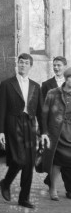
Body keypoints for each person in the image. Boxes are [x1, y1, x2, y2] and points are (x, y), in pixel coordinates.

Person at [0, 53, 43, 209]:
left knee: (29, 163)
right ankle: (6, 182)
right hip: (13, 123)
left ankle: (24, 198)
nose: (22, 65)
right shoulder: (7, 84)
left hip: (30, 124)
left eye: (26, 63)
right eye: (20, 62)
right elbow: (1, 109)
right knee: (19, 159)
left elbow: (40, 112)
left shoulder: (36, 86)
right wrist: (0, 131)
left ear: (30, 66)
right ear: (17, 64)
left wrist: (43, 133)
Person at [41, 57, 71, 195]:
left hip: (70, 133)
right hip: (56, 131)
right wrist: (44, 132)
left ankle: (68, 188)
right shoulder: (51, 91)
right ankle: (52, 188)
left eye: (59, 65)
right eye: (70, 78)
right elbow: (44, 113)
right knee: (56, 161)